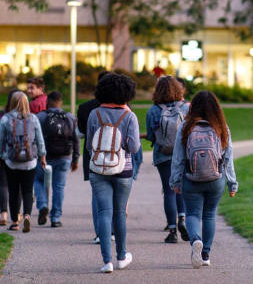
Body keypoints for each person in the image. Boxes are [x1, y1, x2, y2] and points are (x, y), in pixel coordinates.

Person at [170, 91, 238, 269]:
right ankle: (206, 254)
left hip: (191, 178)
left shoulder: (186, 127)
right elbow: (228, 158)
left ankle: (195, 241)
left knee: (192, 214)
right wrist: (232, 183)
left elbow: (177, 157)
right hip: (216, 179)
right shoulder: (222, 127)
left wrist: (175, 181)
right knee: (209, 215)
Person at [86, 72, 140, 273]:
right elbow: (134, 147)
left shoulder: (95, 114)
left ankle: (106, 261)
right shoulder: (129, 116)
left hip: (98, 169)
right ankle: (121, 257)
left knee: (103, 212)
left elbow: (90, 145)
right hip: (123, 169)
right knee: (119, 213)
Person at [0, 91, 47, 233]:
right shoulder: (33, 119)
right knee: (28, 190)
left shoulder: (6, 119)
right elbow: (40, 140)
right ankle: (27, 215)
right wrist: (42, 156)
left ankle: (15, 222)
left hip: (11, 160)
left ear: (12, 103)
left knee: (13, 191)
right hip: (30, 161)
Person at [146, 76, 190, 243]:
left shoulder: (154, 110)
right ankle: (183, 219)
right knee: (181, 188)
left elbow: (151, 135)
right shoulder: (185, 108)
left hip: (163, 155)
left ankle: (172, 231)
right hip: (183, 155)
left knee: (169, 191)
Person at [34, 91, 79, 228]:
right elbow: (76, 139)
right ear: (61, 102)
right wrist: (75, 159)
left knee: (38, 180)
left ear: (47, 102)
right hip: (64, 157)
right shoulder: (70, 117)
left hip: (44, 157)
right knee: (58, 186)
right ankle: (55, 218)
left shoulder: (40, 116)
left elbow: (34, 136)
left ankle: (42, 205)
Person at [76, 71, 108, 244]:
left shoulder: (85, 108)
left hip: (94, 156)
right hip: (116, 158)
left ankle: (99, 233)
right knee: (116, 197)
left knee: (97, 196)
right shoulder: (124, 108)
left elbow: (80, 134)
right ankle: (112, 231)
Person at [0, 89, 22, 226]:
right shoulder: (26, 117)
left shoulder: (1, 115)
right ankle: (17, 214)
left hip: (1, 154)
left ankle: (3, 215)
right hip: (19, 155)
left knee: (3, 185)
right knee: (17, 186)